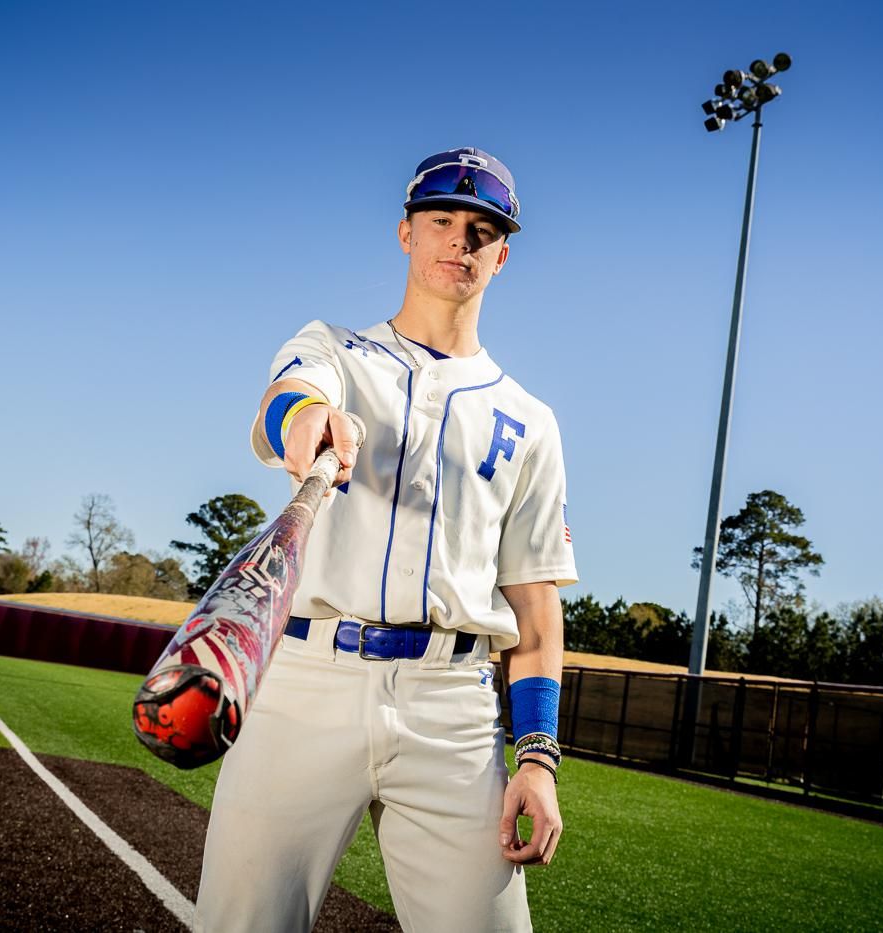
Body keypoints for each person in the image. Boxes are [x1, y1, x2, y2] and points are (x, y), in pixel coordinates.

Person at [195, 147, 577, 933]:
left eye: (482, 229)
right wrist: (307, 419)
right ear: (406, 233)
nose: (460, 239)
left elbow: (536, 613)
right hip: (304, 685)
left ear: (502, 255)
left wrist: (538, 758)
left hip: (452, 708)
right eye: (441, 219)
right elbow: (287, 400)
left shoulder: (530, 421)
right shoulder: (335, 351)